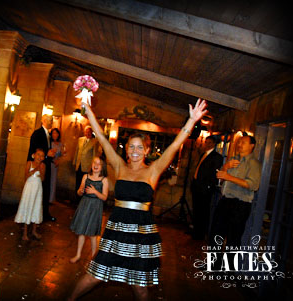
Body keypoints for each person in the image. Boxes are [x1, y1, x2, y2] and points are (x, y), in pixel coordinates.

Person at [68, 99, 207, 301]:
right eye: (131, 147)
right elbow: (103, 140)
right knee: (94, 275)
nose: (134, 151)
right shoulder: (119, 166)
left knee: (139, 287)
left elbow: (176, 145)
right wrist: (89, 114)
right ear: (126, 149)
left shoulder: (153, 170)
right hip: (117, 231)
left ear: (147, 150)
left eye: (139, 147)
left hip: (141, 234)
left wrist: (191, 121)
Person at [210, 135, 261, 263]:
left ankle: (228, 270)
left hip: (240, 204)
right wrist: (226, 167)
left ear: (252, 146)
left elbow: (253, 185)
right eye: (239, 142)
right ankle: (214, 265)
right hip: (225, 200)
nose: (239, 144)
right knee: (216, 233)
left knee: (233, 238)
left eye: (243, 142)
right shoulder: (233, 159)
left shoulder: (253, 163)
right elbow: (220, 175)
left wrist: (228, 177)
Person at [70, 156, 109, 263]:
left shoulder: (104, 180)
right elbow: (79, 190)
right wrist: (80, 191)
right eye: (94, 163)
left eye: (99, 164)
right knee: (81, 231)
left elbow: (105, 197)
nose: (96, 165)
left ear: (102, 167)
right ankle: (78, 255)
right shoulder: (85, 176)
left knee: (92, 234)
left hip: (95, 207)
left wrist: (95, 192)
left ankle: (93, 258)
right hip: (84, 204)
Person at [190, 136, 223, 240]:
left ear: (213, 144)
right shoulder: (203, 154)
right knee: (196, 210)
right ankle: (195, 231)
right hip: (197, 186)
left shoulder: (216, 156)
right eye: (206, 142)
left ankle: (200, 234)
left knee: (203, 212)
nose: (207, 144)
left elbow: (214, 173)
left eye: (209, 142)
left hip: (205, 189)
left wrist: (208, 186)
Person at [27, 114, 56, 221]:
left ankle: (44, 213)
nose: (51, 122)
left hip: (46, 165)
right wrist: (47, 154)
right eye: (50, 120)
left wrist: (50, 154)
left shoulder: (48, 134)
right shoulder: (38, 133)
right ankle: (37, 214)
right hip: (39, 166)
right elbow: (35, 150)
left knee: (46, 189)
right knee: (40, 190)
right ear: (44, 121)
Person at [14, 148, 45, 240]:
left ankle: (34, 231)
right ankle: (25, 233)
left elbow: (43, 179)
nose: (40, 157)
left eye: (42, 156)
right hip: (29, 188)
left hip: (37, 188)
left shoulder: (43, 165)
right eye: (38, 154)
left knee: (36, 206)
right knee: (27, 206)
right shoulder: (29, 163)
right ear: (34, 155)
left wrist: (41, 169)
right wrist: (36, 169)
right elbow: (26, 176)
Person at [73, 126, 101, 204]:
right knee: (78, 183)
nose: (88, 133)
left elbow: (94, 155)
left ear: (91, 132)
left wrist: (93, 167)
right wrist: (74, 162)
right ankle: (77, 200)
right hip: (79, 165)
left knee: (85, 184)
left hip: (87, 167)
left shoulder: (95, 141)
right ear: (84, 132)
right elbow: (77, 152)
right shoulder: (80, 139)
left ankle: (83, 201)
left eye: (89, 132)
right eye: (86, 132)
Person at [49, 128, 66, 203]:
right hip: (49, 163)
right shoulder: (49, 143)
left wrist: (59, 159)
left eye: (56, 133)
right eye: (53, 133)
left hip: (55, 164)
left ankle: (51, 199)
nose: (54, 135)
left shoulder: (60, 144)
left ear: (58, 134)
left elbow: (63, 154)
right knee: (48, 181)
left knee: (53, 181)